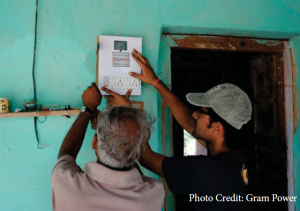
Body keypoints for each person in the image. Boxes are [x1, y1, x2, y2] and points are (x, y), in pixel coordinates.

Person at [101, 49, 252, 211]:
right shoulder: (239, 156)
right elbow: (189, 122)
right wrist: (155, 82)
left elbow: (147, 158)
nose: (194, 114)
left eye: (201, 112)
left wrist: (126, 113)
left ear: (217, 128)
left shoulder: (206, 171)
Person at [51, 83, 165, 211]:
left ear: (94, 142)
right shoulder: (153, 193)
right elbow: (136, 179)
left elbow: (66, 154)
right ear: (136, 155)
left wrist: (88, 108)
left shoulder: (65, 184)